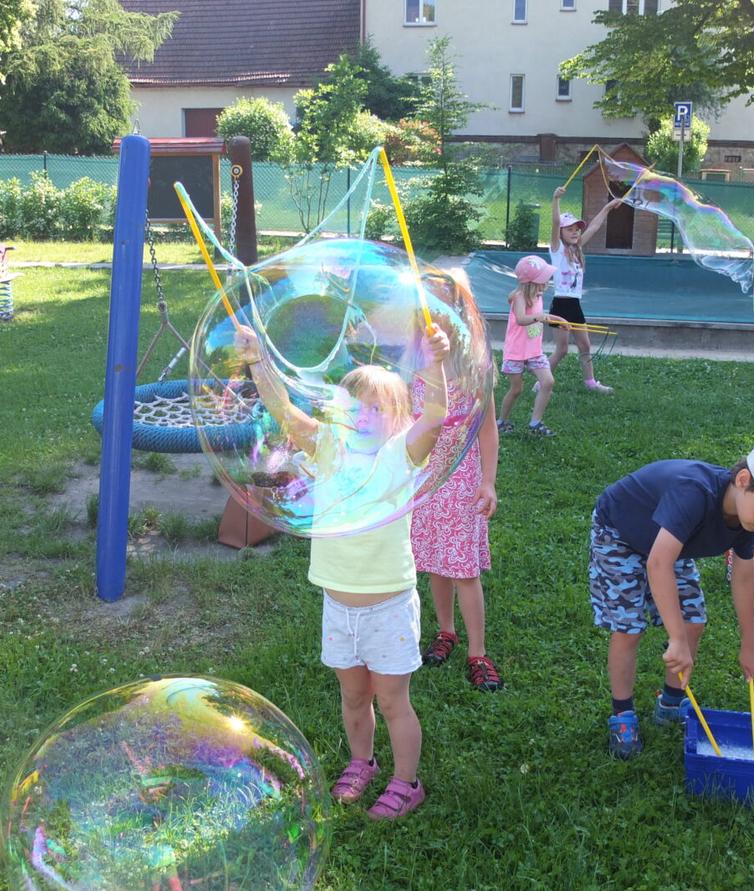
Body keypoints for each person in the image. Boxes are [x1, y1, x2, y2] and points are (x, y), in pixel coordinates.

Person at [235, 319, 450, 820]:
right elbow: (283, 411)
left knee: (394, 701)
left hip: (389, 606)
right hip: (338, 603)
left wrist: (435, 363)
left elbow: (437, 414)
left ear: (399, 419)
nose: (365, 415)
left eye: (379, 408)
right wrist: (256, 360)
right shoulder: (329, 448)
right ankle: (362, 763)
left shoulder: (401, 455)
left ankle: (406, 782)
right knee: (354, 697)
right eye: (356, 406)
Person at [590, 441, 754, 758]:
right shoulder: (694, 493)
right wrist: (675, 639)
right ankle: (622, 714)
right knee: (629, 628)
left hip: (673, 543)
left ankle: (671, 702)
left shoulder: (746, 517)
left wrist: (749, 644)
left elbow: (743, 577)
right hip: (620, 534)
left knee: (693, 622)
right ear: (742, 480)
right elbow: (658, 564)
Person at [412, 391, 503, 691]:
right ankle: (446, 631)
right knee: (436, 561)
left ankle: (478, 653)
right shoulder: (413, 374)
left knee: (464, 570)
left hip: (462, 484)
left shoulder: (474, 376)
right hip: (422, 484)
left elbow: (488, 430)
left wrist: (488, 482)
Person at [547, 186, 622, 394]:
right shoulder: (557, 249)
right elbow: (554, 222)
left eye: (577, 229)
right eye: (570, 229)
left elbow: (595, 227)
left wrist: (607, 207)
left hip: (574, 304)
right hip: (560, 304)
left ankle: (590, 383)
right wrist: (555, 200)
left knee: (585, 346)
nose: (575, 232)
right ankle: (541, 381)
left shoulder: (577, 250)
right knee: (561, 350)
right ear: (560, 232)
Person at [499, 255, 564, 437]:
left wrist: (559, 320)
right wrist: (539, 318)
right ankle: (501, 421)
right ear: (532, 282)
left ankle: (535, 423)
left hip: (534, 352)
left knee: (548, 382)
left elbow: (541, 315)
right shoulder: (519, 297)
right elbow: (521, 319)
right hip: (516, 352)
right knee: (516, 389)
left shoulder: (538, 296)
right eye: (544, 278)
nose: (548, 281)